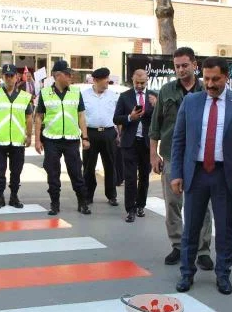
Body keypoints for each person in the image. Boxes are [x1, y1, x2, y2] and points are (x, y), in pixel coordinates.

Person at [171, 56, 232, 295]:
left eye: (215, 79)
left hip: (224, 175)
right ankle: (187, 273)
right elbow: (179, 141)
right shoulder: (191, 102)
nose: (210, 84)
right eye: (206, 79)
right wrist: (176, 173)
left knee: (225, 227)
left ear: (226, 77)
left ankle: (223, 275)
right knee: (192, 228)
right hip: (196, 174)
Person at [149, 47, 213, 269]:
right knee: (173, 205)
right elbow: (155, 127)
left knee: (203, 207)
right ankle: (178, 245)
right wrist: (153, 156)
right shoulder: (166, 91)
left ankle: (203, 250)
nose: (181, 70)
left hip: (201, 158)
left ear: (195, 65)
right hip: (171, 157)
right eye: (177, 66)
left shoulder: (207, 90)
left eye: (185, 65)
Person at [33, 60, 91, 216]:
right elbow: (38, 117)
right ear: (57, 76)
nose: (70, 76)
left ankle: (83, 202)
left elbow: (81, 116)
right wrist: (37, 140)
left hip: (71, 140)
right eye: (67, 74)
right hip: (51, 139)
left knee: (76, 173)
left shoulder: (75, 92)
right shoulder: (45, 93)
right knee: (53, 173)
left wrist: (85, 137)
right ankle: (55, 204)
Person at [0, 63, 33, 209]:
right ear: (3, 77)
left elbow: (29, 117)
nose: (9, 79)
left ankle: (14, 197)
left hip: (17, 141)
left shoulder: (23, 97)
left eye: (12, 76)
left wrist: (29, 136)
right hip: (0, 141)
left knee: (16, 172)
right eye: (7, 76)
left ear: (17, 77)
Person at [113, 69, 154, 222]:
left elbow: (161, 118)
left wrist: (156, 106)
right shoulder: (125, 96)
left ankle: (140, 205)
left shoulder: (153, 96)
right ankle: (130, 209)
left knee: (144, 176)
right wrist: (130, 117)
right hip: (129, 143)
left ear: (147, 80)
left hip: (147, 142)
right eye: (137, 83)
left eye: (142, 83)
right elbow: (116, 118)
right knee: (130, 177)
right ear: (132, 80)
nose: (139, 86)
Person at [81, 67, 120, 206]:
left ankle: (111, 195)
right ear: (96, 80)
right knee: (88, 166)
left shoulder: (113, 95)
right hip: (90, 133)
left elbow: (117, 117)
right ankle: (88, 195)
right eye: (105, 79)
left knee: (110, 165)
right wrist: (83, 136)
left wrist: (119, 134)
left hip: (109, 133)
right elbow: (80, 117)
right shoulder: (84, 95)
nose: (107, 81)